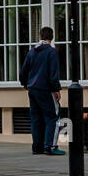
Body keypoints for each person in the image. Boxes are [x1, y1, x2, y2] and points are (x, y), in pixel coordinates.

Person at [19, 26, 63, 156]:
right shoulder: (51, 52)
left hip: (32, 89)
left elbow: (23, 70)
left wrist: (25, 83)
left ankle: (37, 147)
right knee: (52, 117)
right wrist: (56, 89)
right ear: (52, 37)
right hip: (45, 89)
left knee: (36, 118)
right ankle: (50, 146)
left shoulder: (32, 52)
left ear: (40, 36)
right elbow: (53, 73)